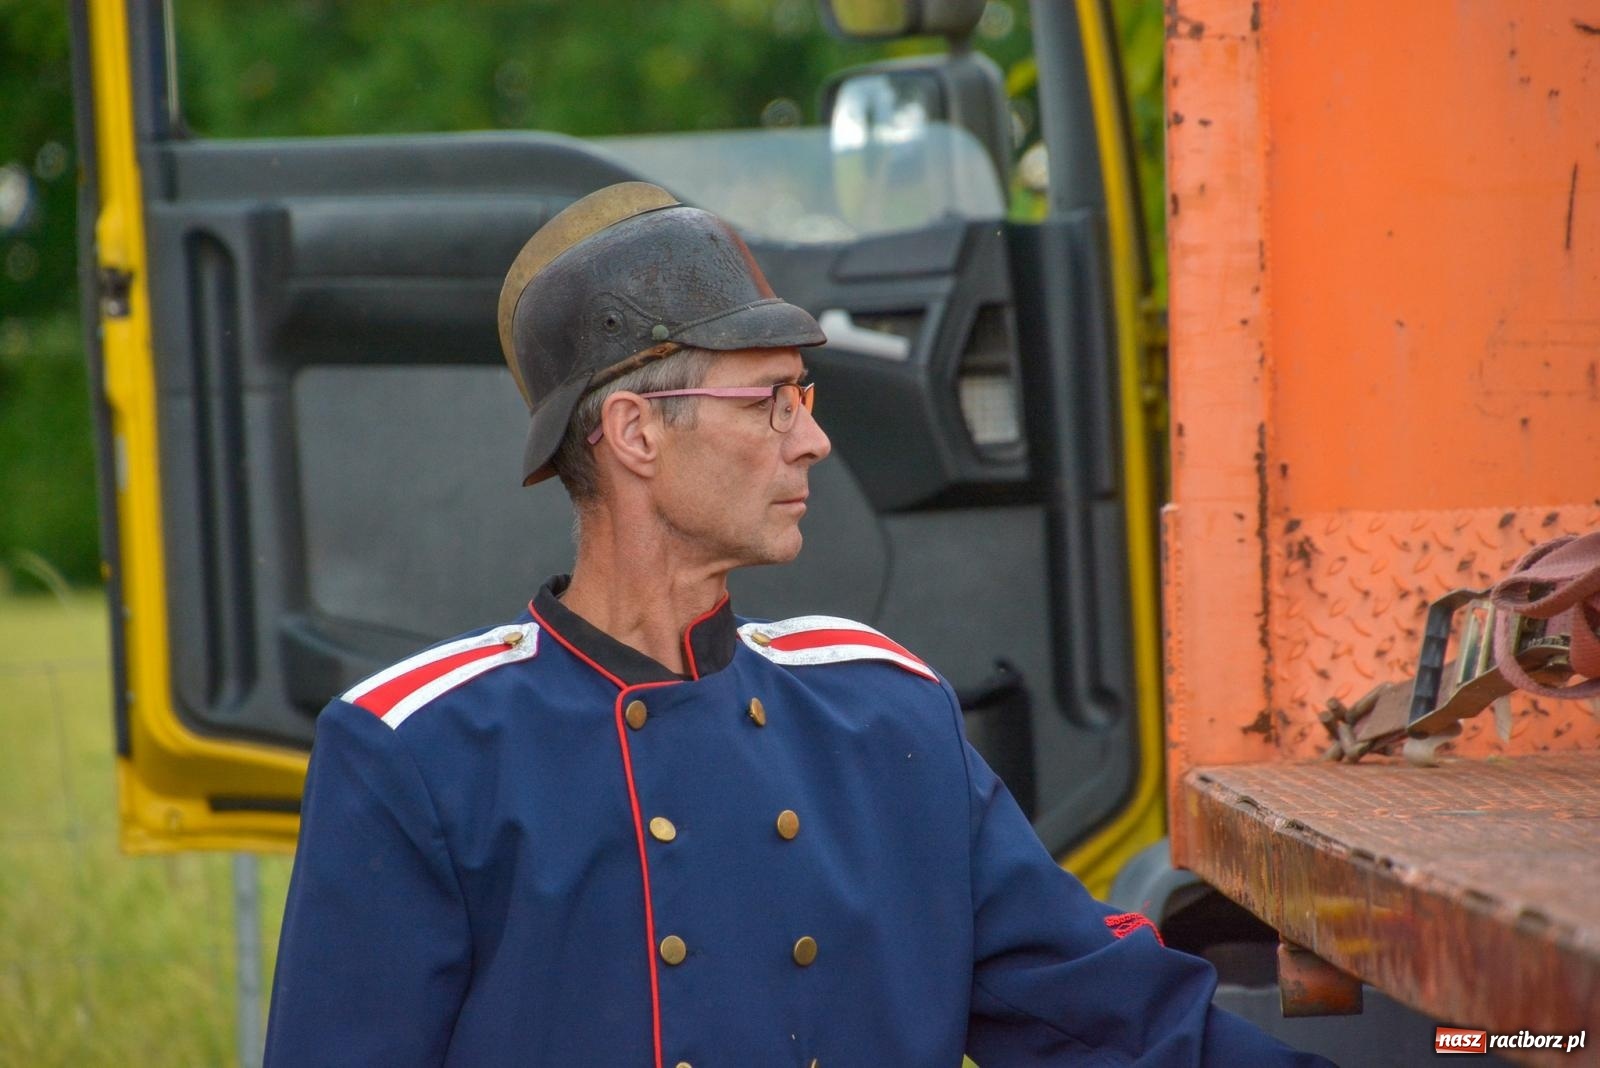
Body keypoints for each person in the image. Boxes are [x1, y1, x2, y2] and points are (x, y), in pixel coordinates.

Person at [264, 181, 1332, 1067]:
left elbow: (1119, 1023)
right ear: (635, 431)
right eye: (769, 398)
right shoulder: (418, 752)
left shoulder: (881, 712)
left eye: (805, 395)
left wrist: (1488, 1041)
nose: (811, 440)